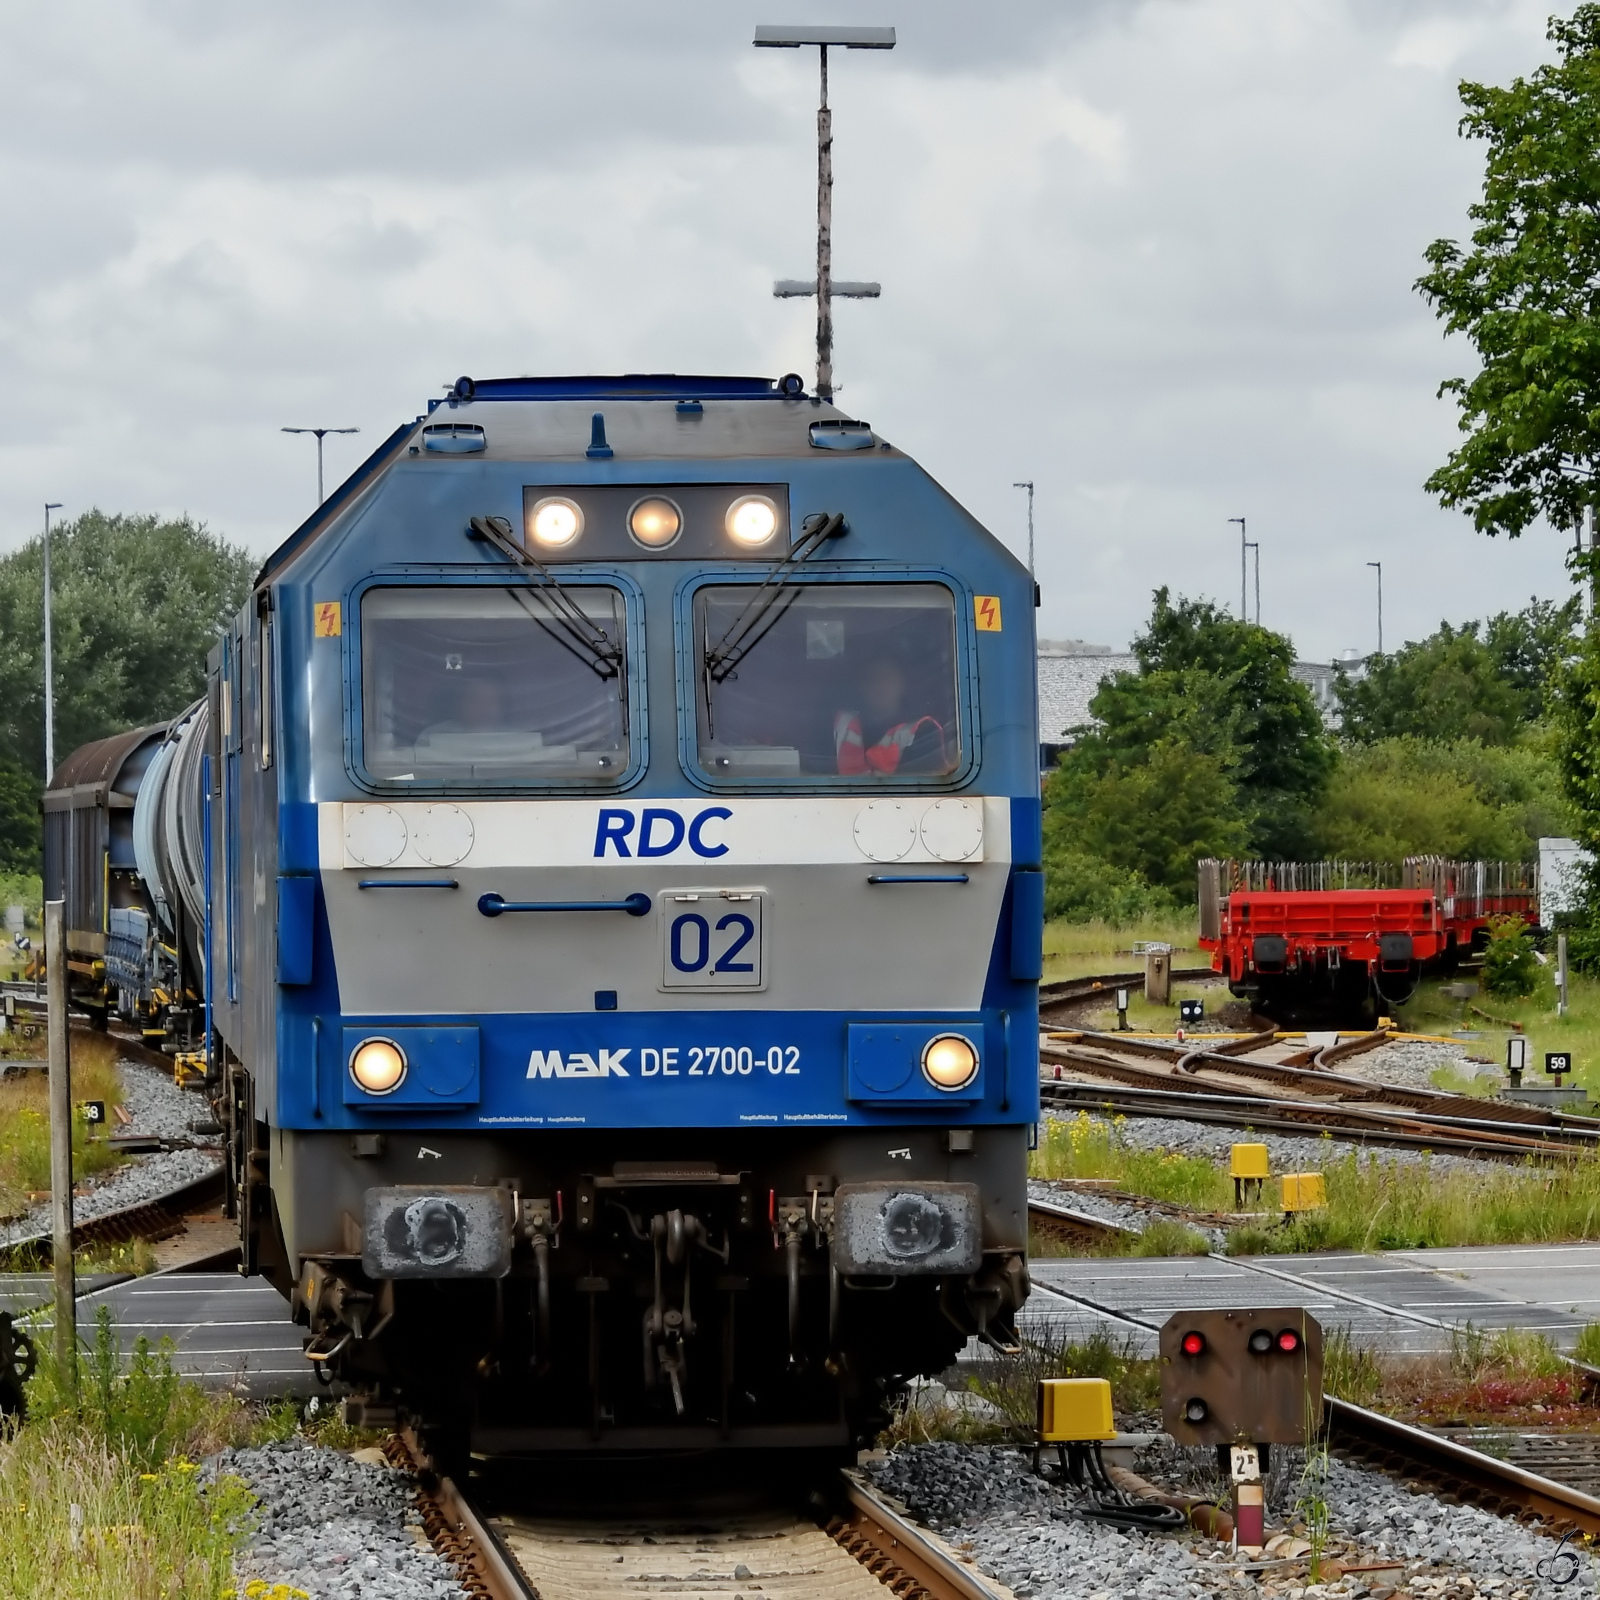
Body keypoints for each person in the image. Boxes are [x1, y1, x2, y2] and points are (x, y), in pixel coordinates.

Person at [833, 657, 950, 775]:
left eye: (887, 677)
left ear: (903, 683)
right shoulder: (841, 726)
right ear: (860, 687)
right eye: (871, 679)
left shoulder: (923, 731)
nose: (879, 685)